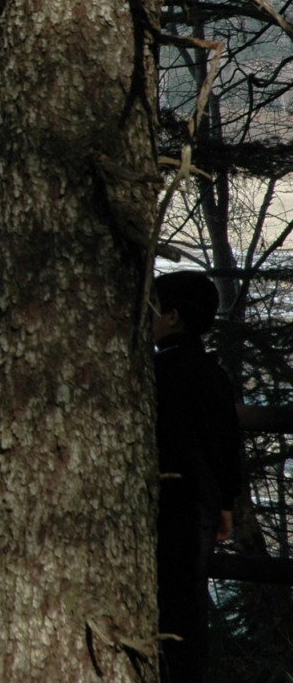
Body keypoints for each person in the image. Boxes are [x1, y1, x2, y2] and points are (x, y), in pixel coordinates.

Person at [152, 269, 242, 683]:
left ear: (171, 316)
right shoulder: (212, 373)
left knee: (165, 602)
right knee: (189, 604)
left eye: (153, 308)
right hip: (202, 505)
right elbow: (226, 440)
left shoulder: (156, 372)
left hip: (162, 503)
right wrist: (225, 502)